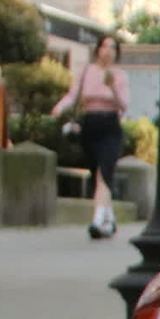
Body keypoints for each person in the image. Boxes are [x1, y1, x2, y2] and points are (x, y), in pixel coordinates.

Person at [53, 37, 133, 239]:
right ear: (98, 50)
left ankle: (97, 221)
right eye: (105, 46)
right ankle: (109, 219)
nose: (108, 51)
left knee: (104, 172)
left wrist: (113, 87)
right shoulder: (86, 71)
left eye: (113, 48)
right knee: (96, 172)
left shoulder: (120, 76)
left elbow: (124, 105)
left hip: (110, 125)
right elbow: (73, 95)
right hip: (90, 124)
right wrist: (60, 107)